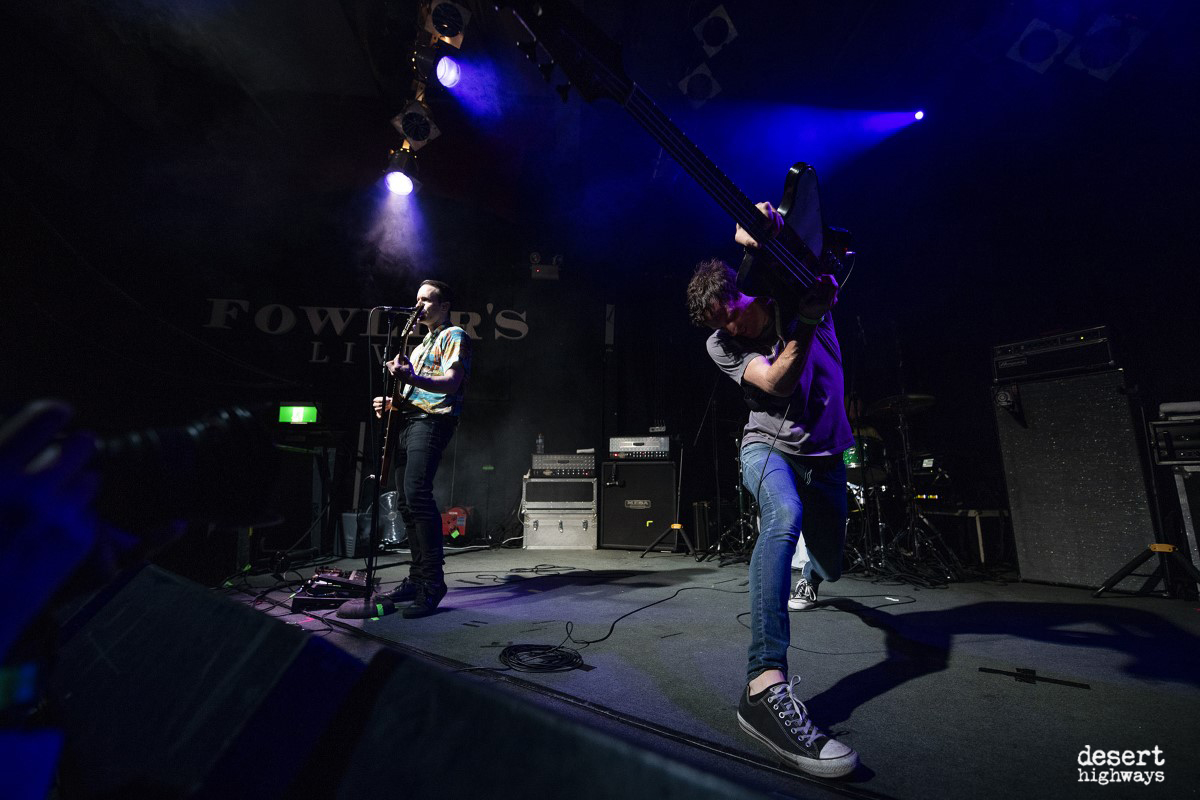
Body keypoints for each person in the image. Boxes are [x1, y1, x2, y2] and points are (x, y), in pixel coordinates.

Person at [685, 202, 859, 778]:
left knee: (833, 562)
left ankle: (815, 575)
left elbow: (781, 230)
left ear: (741, 291)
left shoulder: (795, 291)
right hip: (767, 446)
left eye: (731, 315)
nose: (731, 329)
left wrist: (766, 226)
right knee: (782, 518)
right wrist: (805, 324)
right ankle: (764, 682)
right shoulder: (721, 345)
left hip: (827, 455)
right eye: (720, 325)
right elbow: (777, 384)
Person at [372, 280, 470, 618]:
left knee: (417, 494)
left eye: (426, 300)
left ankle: (432, 582)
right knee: (405, 501)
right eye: (416, 300)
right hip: (409, 420)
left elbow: (451, 384)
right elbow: (413, 393)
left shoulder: (454, 335)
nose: (418, 306)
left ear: (444, 306)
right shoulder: (418, 347)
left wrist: (409, 378)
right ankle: (416, 579)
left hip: (432, 421)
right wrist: (392, 403)